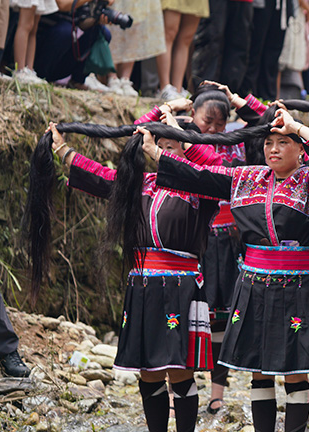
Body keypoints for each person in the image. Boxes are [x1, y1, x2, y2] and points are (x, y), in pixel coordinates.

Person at [142, 107, 309, 432]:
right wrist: (158, 155)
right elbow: (202, 175)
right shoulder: (246, 178)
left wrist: (300, 126)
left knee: (295, 370)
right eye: (268, 142)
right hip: (253, 284)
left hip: (296, 286)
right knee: (259, 369)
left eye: (283, 142)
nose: (274, 149)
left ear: (301, 149)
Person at [48, 118, 217, 432]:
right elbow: (99, 175)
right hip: (142, 287)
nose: (158, 154)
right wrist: (63, 149)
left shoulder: (201, 187)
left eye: (170, 148)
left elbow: (213, 162)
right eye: (154, 148)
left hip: (180, 286)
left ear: (185, 150)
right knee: (148, 371)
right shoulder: (139, 185)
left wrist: (172, 147)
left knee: (178, 369)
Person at [135, 82, 268, 414]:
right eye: (208, 123)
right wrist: (169, 110)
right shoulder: (178, 135)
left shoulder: (232, 146)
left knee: (221, 318)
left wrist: (242, 100)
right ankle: (180, 381)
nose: (214, 130)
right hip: (193, 242)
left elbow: (266, 122)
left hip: (228, 240)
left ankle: (216, 391)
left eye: (221, 125)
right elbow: (139, 130)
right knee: (193, 318)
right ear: (193, 113)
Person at [32, 0, 111, 90]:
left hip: (61, 61)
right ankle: (39, 75)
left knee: (102, 32)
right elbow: (60, 3)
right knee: (64, 31)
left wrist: (97, 21)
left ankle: (78, 80)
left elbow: (82, 24)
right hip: (40, 51)